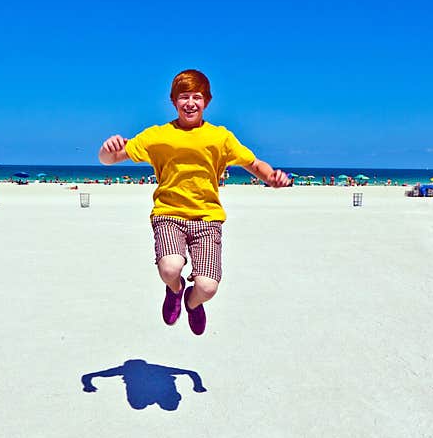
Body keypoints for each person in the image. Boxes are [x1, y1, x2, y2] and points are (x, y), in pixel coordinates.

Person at [98, 69, 290, 335]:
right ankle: (174, 290)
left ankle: (191, 302)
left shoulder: (220, 138)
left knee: (207, 287)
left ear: (206, 101)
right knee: (170, 267)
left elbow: (254, 164)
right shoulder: (157, 136)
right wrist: (106, 149)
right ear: (174, 101)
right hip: (168, 214)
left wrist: (271, 177)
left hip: (207, 219)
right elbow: (110, 159)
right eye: (184, 97)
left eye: (196, 97)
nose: (190, 103)